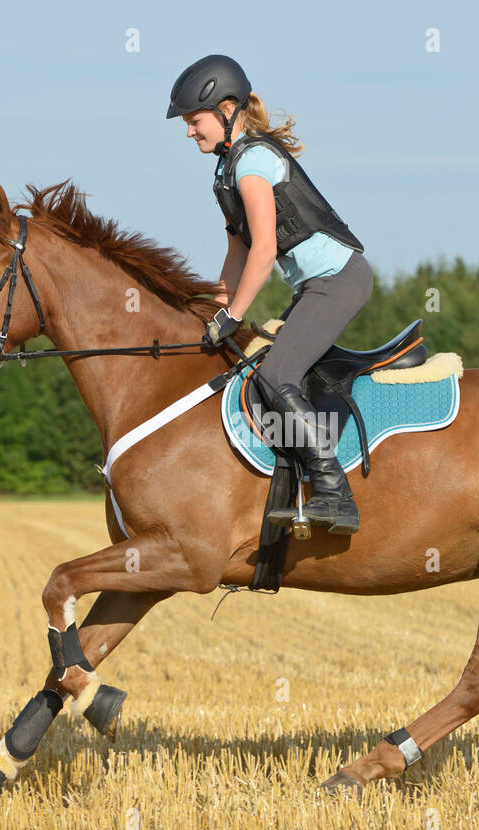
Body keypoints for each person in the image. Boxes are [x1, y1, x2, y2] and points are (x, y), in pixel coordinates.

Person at [166, 54, 372, 535]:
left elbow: (263, 251)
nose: (189, 131)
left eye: (194, 121)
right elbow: (236, 258)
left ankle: (334, 494)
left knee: (276, 374)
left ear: (226, 110)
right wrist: (211, 312)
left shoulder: (255, 160)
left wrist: (233, 316)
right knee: (261, 370)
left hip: (339, 278)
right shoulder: (227, 172)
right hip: (313, 286)